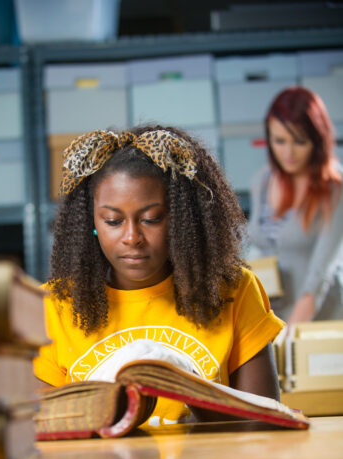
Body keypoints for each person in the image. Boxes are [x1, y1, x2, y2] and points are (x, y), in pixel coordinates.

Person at [34, 125, 285, 427]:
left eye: (151, 219)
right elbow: (42, 430)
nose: (132, 237)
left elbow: (264, 423)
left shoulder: (235, 290)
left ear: (180, 219)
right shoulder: (52, 305)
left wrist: (192, 390)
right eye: (113, 221)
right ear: (92, 222)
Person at [247, 86, 343, 325]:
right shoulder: (263, 180)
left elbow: (321, 273)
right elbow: (261, 249)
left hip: (317, 316)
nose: (288, 153)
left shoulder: (335, 188)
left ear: (317, 139)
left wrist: (292, 331)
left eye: (300, 141)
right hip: (271, 315)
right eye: (279, 141)